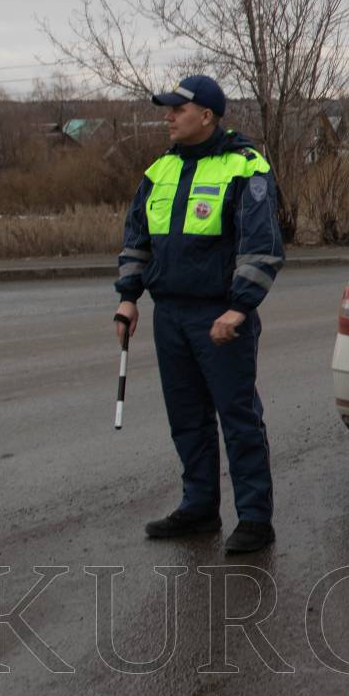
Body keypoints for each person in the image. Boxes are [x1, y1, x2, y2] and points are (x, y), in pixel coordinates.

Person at [112, 74, 285, 554]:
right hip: (170, 315)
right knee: (187, 418)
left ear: (206, 116)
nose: (168, 117)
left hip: (220, 315)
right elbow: (137, 239)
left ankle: (255, 519)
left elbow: (262, 246)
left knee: (238, 417)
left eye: (178, 110)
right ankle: (199, 507)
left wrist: (239, 308)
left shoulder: (245, 167)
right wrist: (128, 297)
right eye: (168, 109)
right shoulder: (159, 170)